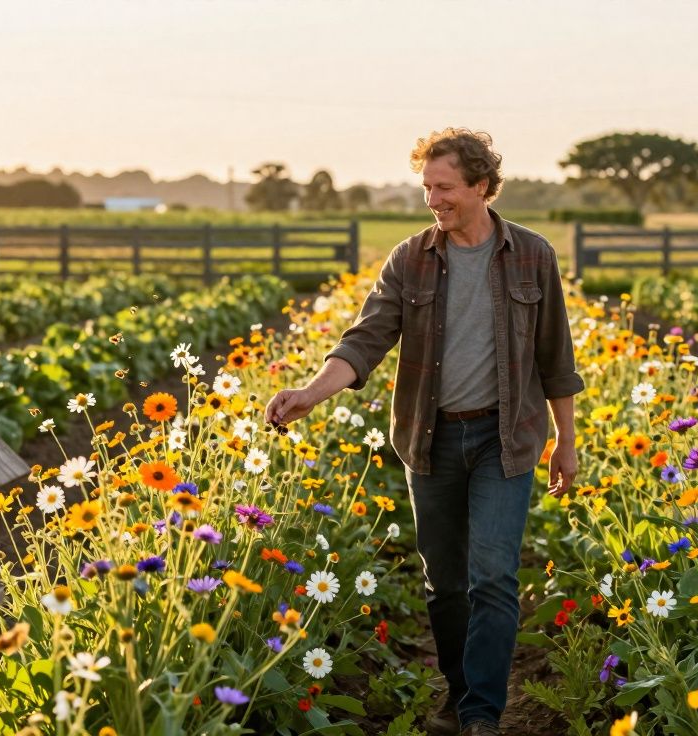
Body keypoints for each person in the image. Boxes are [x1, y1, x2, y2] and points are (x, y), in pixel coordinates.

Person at [264, 128, 583, 736]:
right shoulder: (410, 259)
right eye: (426, 187)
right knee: (445, 583)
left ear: (482, 186)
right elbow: (365, 339)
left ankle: (482, 713)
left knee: (493, 574)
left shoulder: (533, 255)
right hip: (429, 438)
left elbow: (555, 358)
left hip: (504, 438)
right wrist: (310, 391)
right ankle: (461, 692)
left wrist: (566, 441)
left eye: (445, 187)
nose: (432, 199)